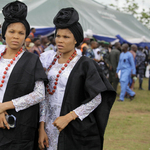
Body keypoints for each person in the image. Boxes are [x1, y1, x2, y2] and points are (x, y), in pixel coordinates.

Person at [38, 7, 116, 150]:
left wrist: (68, 117)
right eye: (58, 36)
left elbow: (96, 98)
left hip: (72, 127)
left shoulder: (85, 64)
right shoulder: (50, 62)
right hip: (49, 125)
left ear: (76, 40)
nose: (60, 40)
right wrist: (41, 127)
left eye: (66, 37)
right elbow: (44, 96)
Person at [0, 1, 47, 149]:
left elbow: (39, 94)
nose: (16, 36)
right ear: (4, 33)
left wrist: (4, 106)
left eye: (21, 33)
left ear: (26, 36)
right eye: (12, 32)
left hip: (20, 122)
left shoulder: (32, 60)